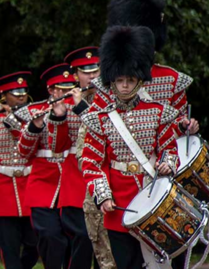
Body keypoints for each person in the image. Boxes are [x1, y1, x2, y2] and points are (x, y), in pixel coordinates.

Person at [81, 25, 179, 269]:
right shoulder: (99, 118)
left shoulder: (158, 112)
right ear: (112, 81)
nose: (124, 85)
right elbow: (91, 162)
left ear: (140, 79)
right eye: (120, 80)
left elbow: (170, 147)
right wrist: (103, 195)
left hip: (151, 194)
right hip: (117, 201)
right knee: (126, 263)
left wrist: (168, 162)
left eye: (130, 80)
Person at [92, 0, 198, 136]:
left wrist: (185, 127)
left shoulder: (172, 79)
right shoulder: (109, 78)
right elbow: (95, 126)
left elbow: (177, 124)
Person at [0, 71, 38, 269]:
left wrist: (14, 124)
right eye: (14, 92)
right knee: (9, 247)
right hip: (3, 189)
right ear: (4, 95)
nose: (20, 96)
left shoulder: (34, 117)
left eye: (23, 91)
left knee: (33, 244)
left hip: (30, 186)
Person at [15, 64, 75, 269]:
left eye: (70, 87)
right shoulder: (34, 110)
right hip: (43, 183)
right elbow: (23, 152)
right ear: (51, 90)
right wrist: (35, 126)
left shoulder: (79, 109)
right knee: (49, 235)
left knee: (74, 237)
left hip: (71, 180)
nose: (66, 93)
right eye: (61, 89)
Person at [64, 47, 116, 269]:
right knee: (87, 243)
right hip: (80, 181)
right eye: (86, 72)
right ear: (75, 76)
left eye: (96, 71)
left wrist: (83, 107)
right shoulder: (65, 103)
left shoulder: (113, 97)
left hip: (112, 178)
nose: (92, 76)